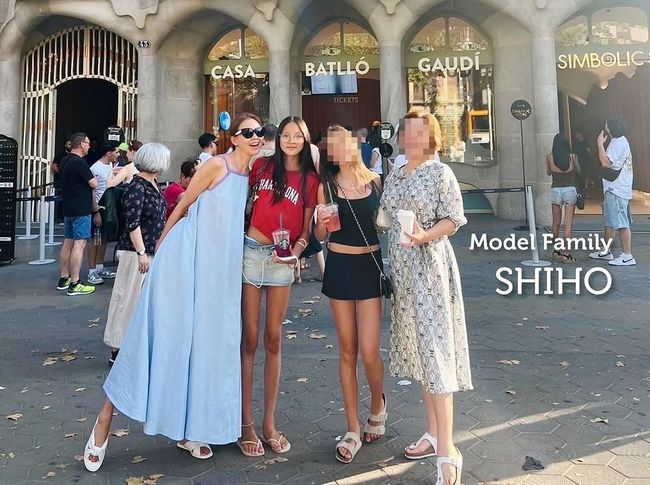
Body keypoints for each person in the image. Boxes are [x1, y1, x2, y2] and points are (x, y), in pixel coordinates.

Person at [83, 113, 263, 472]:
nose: (256, 137)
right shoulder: (217, 165)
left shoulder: (254, 174)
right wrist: (158, 251)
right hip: (184, 262)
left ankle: (191, 429)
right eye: (248, 132)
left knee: (206, 349)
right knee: (157, 339)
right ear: (234, 138)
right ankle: (103, 420)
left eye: (260, 131)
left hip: (220, 275)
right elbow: (182, 206)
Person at [380, 108, 472, 485]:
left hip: (430, 270)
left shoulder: (439, 172)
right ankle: (433, 433)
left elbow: (454, 219)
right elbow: (385, 215)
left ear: (431, 136)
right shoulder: (396, 173)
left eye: (421, 132)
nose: (413, 138)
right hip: (402, 274)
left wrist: (423, 235)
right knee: (421, 354)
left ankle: (448, 453)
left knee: (436, 356)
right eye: (408, 132)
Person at [239, 116, 319, 457]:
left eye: (297, 136)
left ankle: (269, 422)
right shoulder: (260, 167)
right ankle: (245, 423)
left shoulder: (311, 179)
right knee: (249, 339)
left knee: (273, 338)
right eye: (286, 135)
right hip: (251, 252)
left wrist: (297, 252)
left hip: (282, 259)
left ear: (305, 140)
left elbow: (307, 229)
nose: (290, 140)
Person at [313, 124, 386, 464]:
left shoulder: (375, 181)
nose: (338, 150)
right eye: (332, 146)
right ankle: (353, 428)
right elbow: (318, 235)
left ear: (354, 145)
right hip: (340, 266)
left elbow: (386, 224)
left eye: (342, 143)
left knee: (370, 351)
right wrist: (320, 222)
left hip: (369, 267)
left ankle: (378, 405)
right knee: (347, 349)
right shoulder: (326, 186)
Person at [102, 144, 167, 367]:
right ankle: (117, 348)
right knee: (127, 299)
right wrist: (141, 252)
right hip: (136, 252)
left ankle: (132, 345)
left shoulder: (151, 184)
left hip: (148, 250)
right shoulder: (138, 186)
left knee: (139, 300)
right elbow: (133, 222)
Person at [590, 118, 636, 266]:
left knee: (621, 223)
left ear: (610, 128)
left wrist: (599, 144)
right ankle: (605, 251)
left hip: (616, 189)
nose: (605, 127)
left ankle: (627, 255)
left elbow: (605, 162)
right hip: (614, 188)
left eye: (607, 125)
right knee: (610, 222)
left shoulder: (619, 143)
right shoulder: (618, 141)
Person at [57, 133, 98, 296]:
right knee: (79, 244)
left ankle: (64, 277)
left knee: (68, 241)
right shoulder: (80, 162)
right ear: (81, 144)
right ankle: (75, 282)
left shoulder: (65, 160)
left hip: (68, 207)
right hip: (81, 208)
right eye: (87, 143)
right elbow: (93, 183)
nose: (89, 146)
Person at [88, 142, 120, 285]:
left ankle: (100, 267)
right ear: (109, 153)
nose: (118, 154)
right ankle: (91, 270)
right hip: (99, 207)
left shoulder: (111, 165)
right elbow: (92, 192)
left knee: (104, 239)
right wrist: (96, 211)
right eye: (116, 152)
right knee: (95, 240)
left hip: (108, 206)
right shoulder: (95, 168)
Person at [546, 134, 580, 263]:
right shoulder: (572, 157)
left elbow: (548, 172)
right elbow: (578, 170)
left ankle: (556, 250)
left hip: (556, 190)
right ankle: (566, 254)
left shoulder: (549, 157)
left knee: (556, 222)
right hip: (569, 189)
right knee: (568, 224)